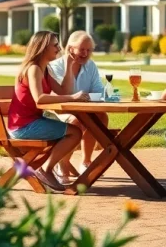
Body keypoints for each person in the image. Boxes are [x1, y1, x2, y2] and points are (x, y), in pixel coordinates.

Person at [6, 30, 83, 192]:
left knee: (75, 130)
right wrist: (74, 98)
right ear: (43, 47)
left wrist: (69, 65)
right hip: (23, 127)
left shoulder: (45, 69)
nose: (58, 49)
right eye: (55, 45)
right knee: (75, 133)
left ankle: (46, 169)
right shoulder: (33, 69)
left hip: (31, 122)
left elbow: (64, 91)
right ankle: (45, 170)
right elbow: (39, 99)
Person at [46, 30, 108, 175]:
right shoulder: (55, 67)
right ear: (70, 49)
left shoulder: (90, 66)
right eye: (82, 49)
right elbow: (59, 95)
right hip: (57, 112)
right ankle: (63, 163)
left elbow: (99, 91)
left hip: (83, 111)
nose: (85, 53)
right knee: (77, 121)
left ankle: (86, 161)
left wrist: (84, 97)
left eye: (89, 50)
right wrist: (80, 97)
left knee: (101, 117)